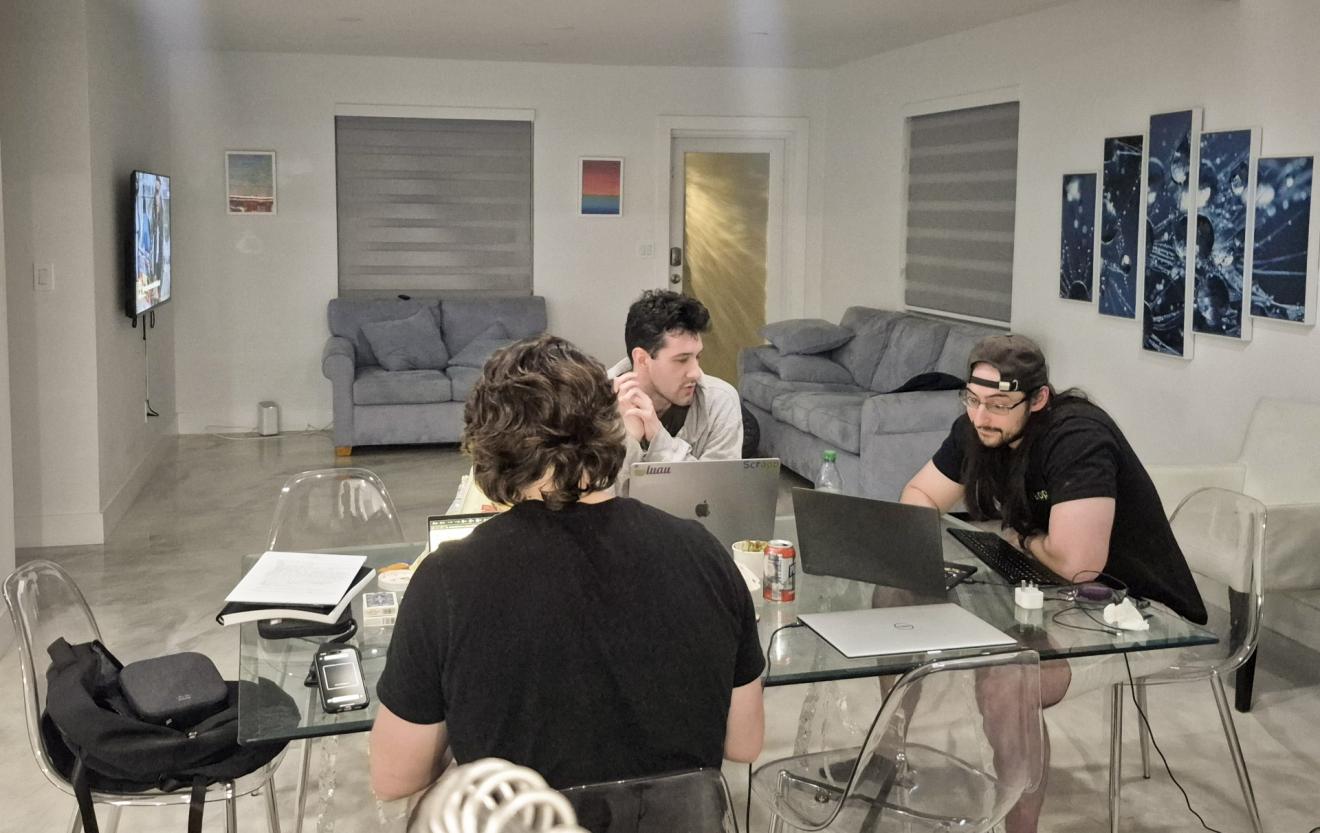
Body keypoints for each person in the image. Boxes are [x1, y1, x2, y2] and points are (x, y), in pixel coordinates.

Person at [369, 334, 765, 800]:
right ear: (611, 429)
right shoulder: (704, 552)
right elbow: (745, 743)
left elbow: (395, 779)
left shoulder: (446, 579)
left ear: (489, 449)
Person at [900, 333, 1206, 833]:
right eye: (972, 401)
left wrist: (1016, 539)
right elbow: (918, 493)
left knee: (1007, 679)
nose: (981, 418)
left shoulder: (1077, 437)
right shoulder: (979, 428)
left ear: (1038, 399)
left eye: (999, 404)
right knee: (896, 596)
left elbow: (1078, 565)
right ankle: (891, 754)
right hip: (1050, 592)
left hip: (1133, 611)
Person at [609, 290, 743, 486]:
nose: (696, 373)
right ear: (642, 359)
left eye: (698, 357)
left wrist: (659, 439)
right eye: (682, 360)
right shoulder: (591, 402)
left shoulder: (720, 401)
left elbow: (717, 493)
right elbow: (590, 505)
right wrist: (626, 442)